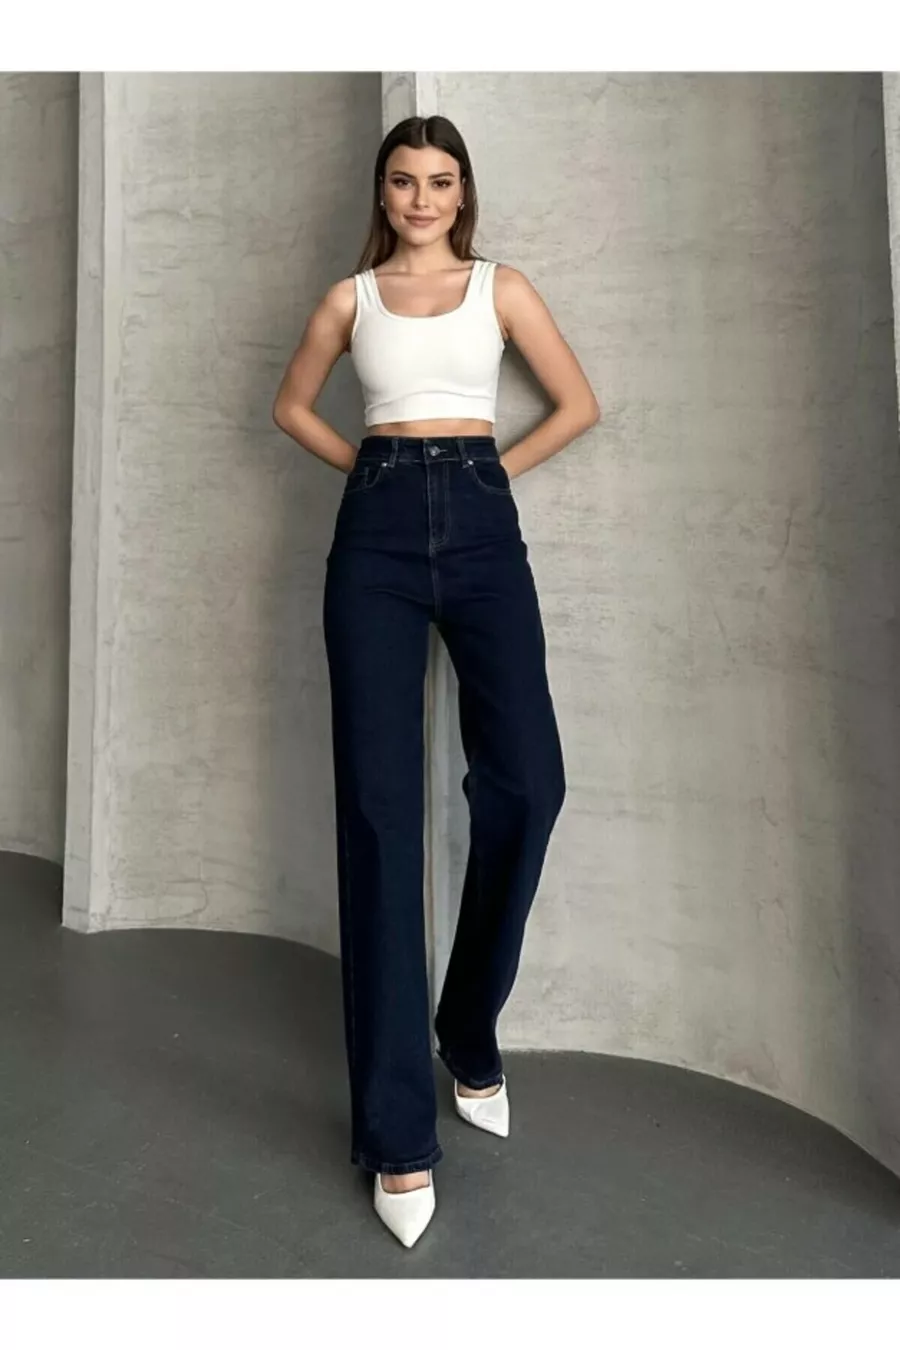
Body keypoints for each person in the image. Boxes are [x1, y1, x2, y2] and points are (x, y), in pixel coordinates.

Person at [272, 114, 601, 1247]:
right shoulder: (348, 300)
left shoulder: (501, 288)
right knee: (378, 814)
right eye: (406, 180)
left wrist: (484, 475)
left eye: (442, 180)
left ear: (464, 193)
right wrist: (369, 469)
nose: (423, 198)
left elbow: (578, 404)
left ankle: (467, 1027)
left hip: (479, 525)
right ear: (384, 192)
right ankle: (398, 1136)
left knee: (529, 784)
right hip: (372, 539)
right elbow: (290, 407)